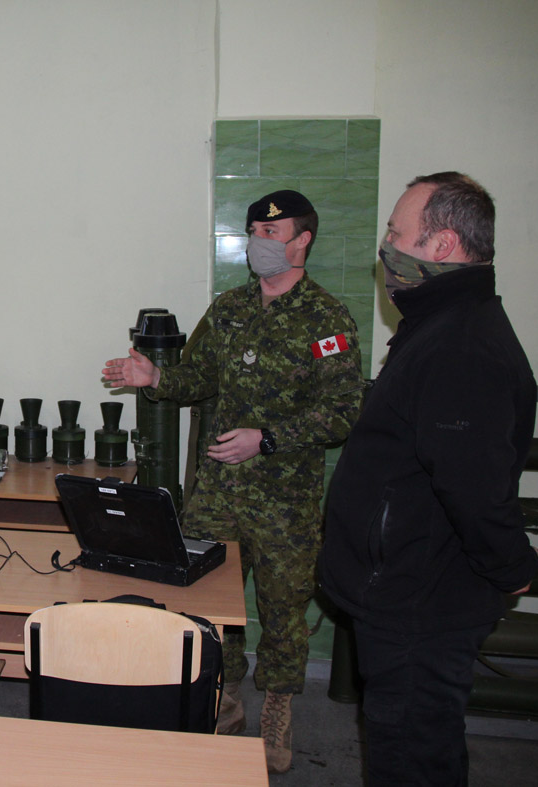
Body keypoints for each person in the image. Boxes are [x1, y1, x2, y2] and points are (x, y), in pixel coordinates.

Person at [102, 190, 363, 772]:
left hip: (285, 501)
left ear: (302, 241)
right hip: (218, 492)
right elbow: (196, 378)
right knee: (209, 601)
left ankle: (278, 709)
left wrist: (265, 438)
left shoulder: (326, 319)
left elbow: (344, 411)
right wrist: (155, 377)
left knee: (283, 609)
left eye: (272, 233)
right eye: (254, 232)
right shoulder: (229, 309)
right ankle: (226, 694)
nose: (258, 242)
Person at [320, 172, 538, 785]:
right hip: (405, 588)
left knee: (413, 755)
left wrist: (512, 566)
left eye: (397, 232)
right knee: (406, 738)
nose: (386, 246)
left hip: (419, 603)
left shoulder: (461, 346)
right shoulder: (438, 323)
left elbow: (472, 486)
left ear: (442, 245)